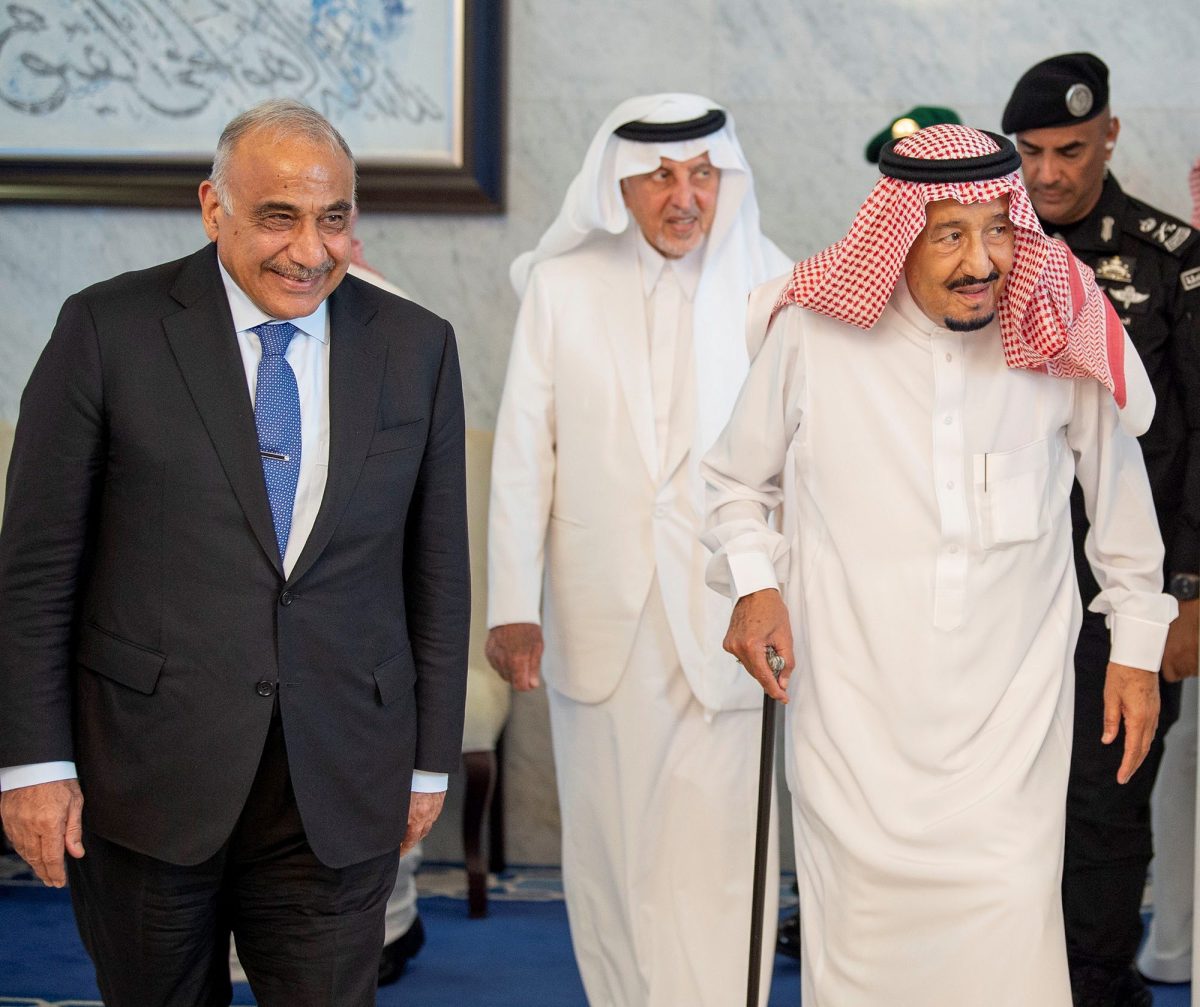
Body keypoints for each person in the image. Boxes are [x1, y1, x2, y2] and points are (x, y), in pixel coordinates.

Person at [0, 98, 470, 1007]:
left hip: (337, 779)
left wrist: (427, 760)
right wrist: (33, 764)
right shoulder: (108, 329)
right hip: (146, 774)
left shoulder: (418, 348)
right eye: (278, 217)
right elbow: (34, 570)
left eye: (333, 218)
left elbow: (438, 574)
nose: (310, 249)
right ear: (214, 208)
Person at [702, 123, 1175, 1007]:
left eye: (999, 228)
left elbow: (1121, 501)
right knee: (865, 958)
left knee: (1007, 936)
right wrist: (755, 585)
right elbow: (733, 482)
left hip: (1009, 729)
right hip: (854, 728)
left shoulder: (1055, 324)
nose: (983, 260)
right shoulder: (813, 336)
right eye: (950, 233)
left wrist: (1136, 649)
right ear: (898, 234)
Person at [486, 93, 791, 1005]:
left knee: (721, 846)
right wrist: (511, 602)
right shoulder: (562, 283)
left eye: (702, 174)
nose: (683, 195)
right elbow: (520, 451)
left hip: (727, 611)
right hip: (600, 609)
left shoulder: (770, 285)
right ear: (619, 181)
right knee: (613, 847)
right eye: (661, 174)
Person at [1002, 52, 1200, 1007]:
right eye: (1031, 153)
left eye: (1070, 149)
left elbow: (1194, 440)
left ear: (1109, 134)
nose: (1048, 174)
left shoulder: (1172, 260)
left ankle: (1095, 986)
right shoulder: (988, 255)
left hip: (1125, 595)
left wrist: (1187, 596)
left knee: (1105, 808)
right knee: (1009, 803)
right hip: (1007, 591)